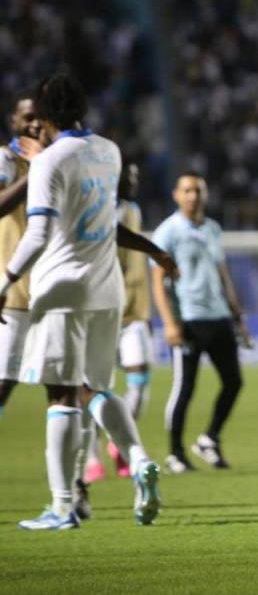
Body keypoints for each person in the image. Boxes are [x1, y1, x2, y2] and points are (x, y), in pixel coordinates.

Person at [6, 74, 172, 529]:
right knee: (96, 387)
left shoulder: (48, 162)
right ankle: (138, 459)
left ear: (43, 116)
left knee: (60, 394)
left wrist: (5, 280)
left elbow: (38, 233)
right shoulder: (109, 151)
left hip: (62, 289)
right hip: (107, 289)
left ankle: (62, 506)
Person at [154, 173, 249, 473]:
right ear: (176, 195)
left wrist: (237, 316)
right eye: (187, 190)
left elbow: (222, 274)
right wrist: (170, 323)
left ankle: (209, 438)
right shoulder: (167, 232)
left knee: (234, 382)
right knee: (184, 389)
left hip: (218, 317)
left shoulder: (212, 228)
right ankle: (175, 453)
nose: (193, 196)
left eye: (198, 190)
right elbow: (158, 282)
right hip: (189, 321)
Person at [85, 161, 155, 480]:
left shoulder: (133, 209)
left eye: (137, 176)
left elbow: (138, 267)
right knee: (94, 386)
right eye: (129, 176)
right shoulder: (104, 211)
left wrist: (146, 309)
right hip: (102, 310)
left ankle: (119, 438)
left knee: (140, 379)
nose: (134, 181)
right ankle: (91, 457)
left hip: (134, 313)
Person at [0, 91, 43, 420]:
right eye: (26, 117)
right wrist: (37, 171)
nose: (33, 123)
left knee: (73, 381)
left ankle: (86, 462)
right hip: (12, 289)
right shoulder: (5, 159)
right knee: (4, 381)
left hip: (51, 286)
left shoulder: (55, 158)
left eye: (38, 117)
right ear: (14, 121)